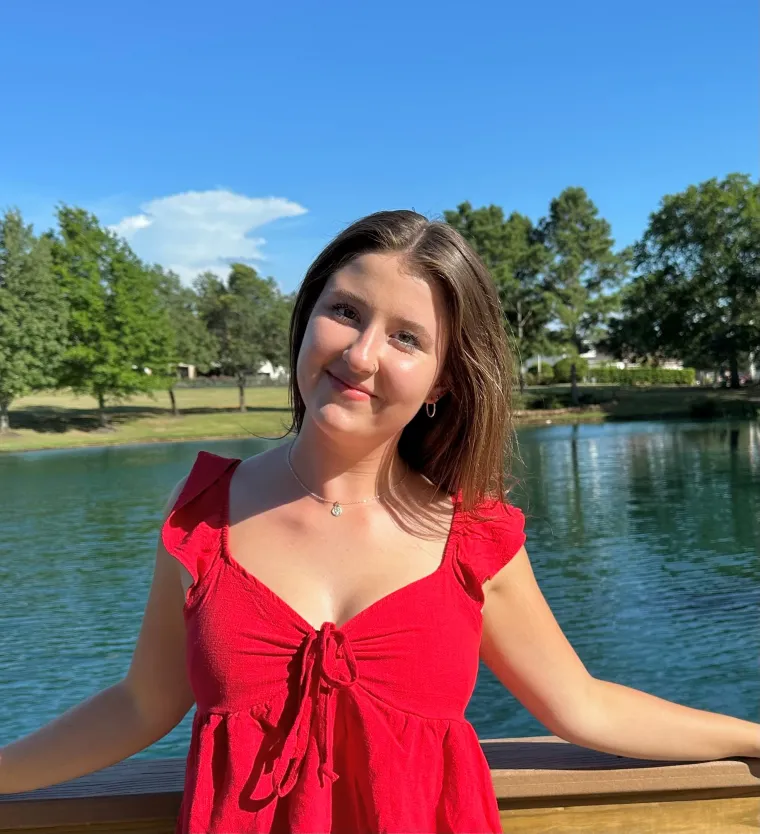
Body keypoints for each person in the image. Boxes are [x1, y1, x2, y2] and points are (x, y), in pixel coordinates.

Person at [1, 210, 758, 833]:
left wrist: (751, 739)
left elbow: (580, 704)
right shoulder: (203, 516)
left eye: (406, 337)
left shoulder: (473, 536)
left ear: (443, 380)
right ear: (307, 319)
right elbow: (141, 704)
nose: (360, 354)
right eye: (345, 312)